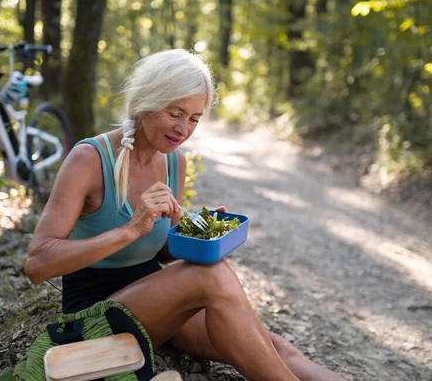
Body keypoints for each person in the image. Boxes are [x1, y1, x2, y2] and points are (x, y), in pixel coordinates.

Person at [25, 49, 344, 381]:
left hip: (155, 306)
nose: (183, 129)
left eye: (194, 118)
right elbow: (38, 264)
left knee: (273, 346)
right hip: (95, 317)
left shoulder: (174, 162)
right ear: (146, 102)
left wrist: (193, 231)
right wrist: (131, 229)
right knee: (212, 276)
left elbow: (163, 254)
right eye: (175, 113)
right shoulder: (89, 159)